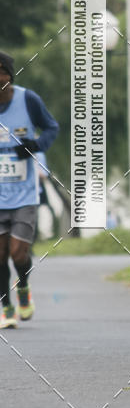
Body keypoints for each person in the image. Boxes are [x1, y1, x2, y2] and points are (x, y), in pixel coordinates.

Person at [0, 52, 59, 328]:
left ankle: (22, 286)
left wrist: (35, 146)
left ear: (9, 76)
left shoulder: (28, 100)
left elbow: (51, 128)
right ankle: (6, 307)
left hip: (24, 194)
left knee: (18, 254)